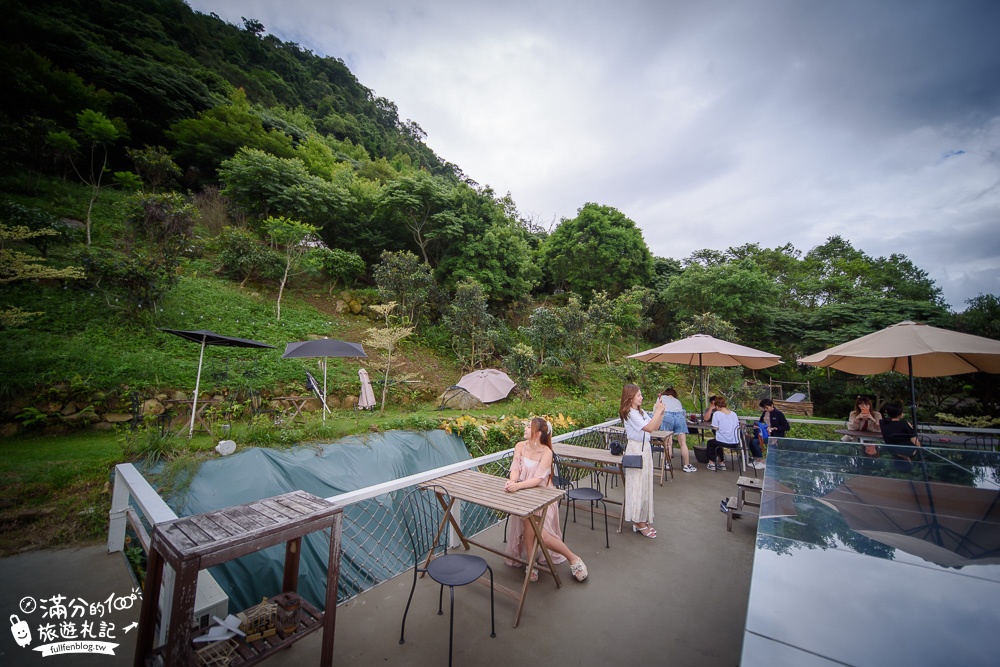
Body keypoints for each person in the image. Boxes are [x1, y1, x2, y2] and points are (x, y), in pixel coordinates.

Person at [504, 417, 588, 582]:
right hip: (523, 494)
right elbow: (515, 468)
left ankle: (573, 558)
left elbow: (537, 480)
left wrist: (517, 486)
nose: (525, 428)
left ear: (539, 433)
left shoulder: (546, 452)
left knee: (540, 533)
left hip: (542, 496)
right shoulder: (520, 446)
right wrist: (513, 481)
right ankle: (530, 562)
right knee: (528, 526)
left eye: (529, 426)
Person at [620, 384, 665, 538]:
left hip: (645, 448)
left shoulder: (641, 412)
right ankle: (637, 521)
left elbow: (655, 426)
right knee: (637, 485)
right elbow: (649, 428)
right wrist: (657, 411)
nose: (641, 397)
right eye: (638, 395)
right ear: (630, 397)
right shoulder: (629, 413)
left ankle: (642, 518)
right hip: (635, 449)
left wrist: (661, 412)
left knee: (645, 484)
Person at [658, 388, 696, 472]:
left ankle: (667, 464)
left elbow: (658, 410)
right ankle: (687, 465)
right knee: (683, 443)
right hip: (680, 417)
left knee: (668, 443)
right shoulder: (677, 401)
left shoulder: (661, 397)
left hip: (667, 416)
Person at [707, 396, 741, 471]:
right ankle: (721, 463)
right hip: (734, 442)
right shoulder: (734, 414)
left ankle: (712, 463)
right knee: (717, 443)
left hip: (723, 441)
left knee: (711, 443)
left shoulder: (717, 414)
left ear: (717, 406)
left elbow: (715, 427)